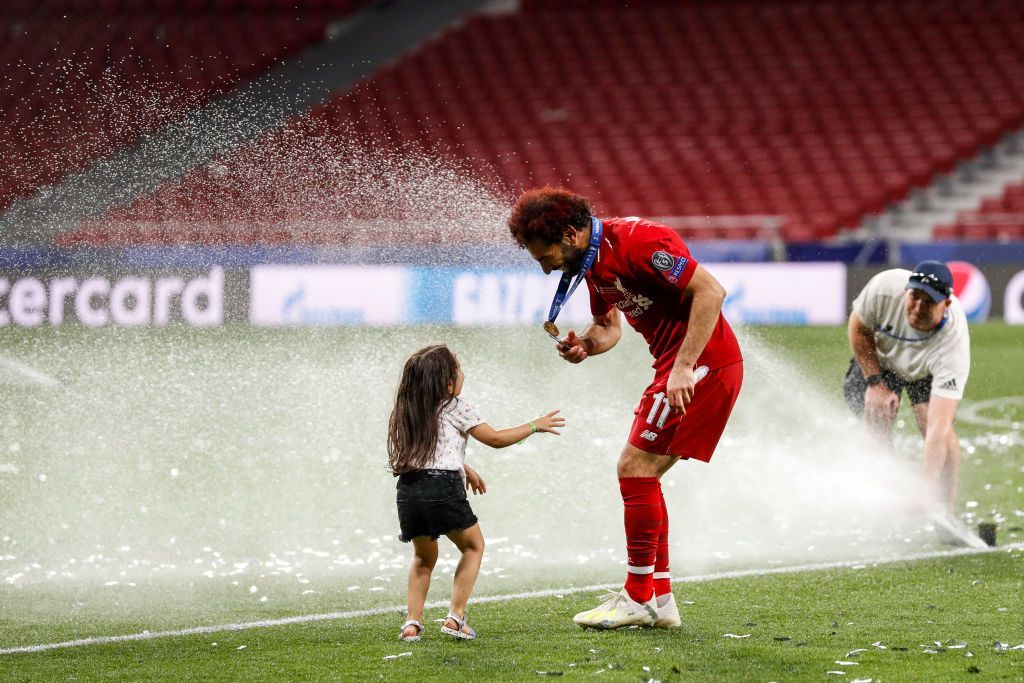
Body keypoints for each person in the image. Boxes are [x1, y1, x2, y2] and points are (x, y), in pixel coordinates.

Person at [508, 188, 743, 630]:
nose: (545, 267)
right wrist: (586, 347)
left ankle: (637, 596)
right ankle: (661, 599)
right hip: (681, 368)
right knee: (643, 473)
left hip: (702, 366)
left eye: (547, 256)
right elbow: (606, 327)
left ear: (571, 235)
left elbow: (711, 292)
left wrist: (685, 367)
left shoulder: (640, 241)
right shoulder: (593, 265)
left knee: (634, 467)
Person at [387, 343, 564, 641]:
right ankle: (456, 617)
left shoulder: (408, 408)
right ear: (446, 382)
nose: (463, 373)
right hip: (441, 487)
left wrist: (464, 468)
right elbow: (494, 439)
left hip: (408, 489)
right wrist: (535, 425)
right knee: (473, 546)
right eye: (459, 369)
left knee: (422, 558)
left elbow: (428, 452)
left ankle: (411, 625)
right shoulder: (455, 405)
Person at [844, 260, 970, 517]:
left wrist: (927, 486)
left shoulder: (953, 344)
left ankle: (945, 510)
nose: (919, 307)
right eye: (915, 297)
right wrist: (875, 383)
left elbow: (938, 427)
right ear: (906, 291)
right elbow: (858, 329)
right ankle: (887, 500)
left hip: (926, 367)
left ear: (946, 304)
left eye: (929, 302)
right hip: (881, 358)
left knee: (929, 421)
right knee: (875, 422)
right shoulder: (883, 288)